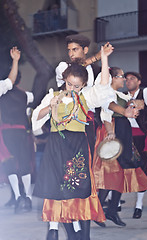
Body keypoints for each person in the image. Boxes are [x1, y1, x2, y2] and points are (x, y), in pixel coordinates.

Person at [32, 44, 115, 240]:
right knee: (56, 187)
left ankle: (79, 231)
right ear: (64, 81)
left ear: (83, 85)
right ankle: (61, 230)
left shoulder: (86, 97)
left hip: (77, 147)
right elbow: (36, 116)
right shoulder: (52, 96)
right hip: (56, 146)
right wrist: (49, 107)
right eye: (69, 84)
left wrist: (103, 58)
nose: (72, 89)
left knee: (78, 188)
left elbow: (103, 88)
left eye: (77, 86)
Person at [92, 67, 147, 227]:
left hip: (123, 132)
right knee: (113, 173)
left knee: (121, 171)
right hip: (114, 132)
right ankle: (99, 210)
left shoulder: (121, 95)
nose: (124, 79)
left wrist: (133, 103)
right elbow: (106, 114)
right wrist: (111, 133)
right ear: (111, 78)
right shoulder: (107, 95)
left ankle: (109, 210)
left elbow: (140, 103)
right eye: (121, 76)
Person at [56, 34, 102, 159]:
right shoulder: (63, 67)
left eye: (74, 49)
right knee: (67, 159)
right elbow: (75, 71)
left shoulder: (96, 70)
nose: (71, 54)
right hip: (67, 119)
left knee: (88, 157)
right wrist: (97, 56)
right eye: (69, 50)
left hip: (89, 120)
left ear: (85, 50)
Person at [125, 71, 147, 218]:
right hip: (125, 137)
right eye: (126, 79)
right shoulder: (122, 96)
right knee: (121, 168)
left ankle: (139, 205)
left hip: (141, 137)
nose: (128, 81)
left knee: (142, 170)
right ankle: (115, 202)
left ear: (139, 81)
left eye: (132, 79)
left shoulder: (145, 93)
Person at [0, 70, 34, 214]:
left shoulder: (2, 93)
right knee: (25, 162)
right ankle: (28, 198)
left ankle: (19, 197)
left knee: (10, 163)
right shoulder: (26, 95)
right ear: (19, 80)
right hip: (21, 132)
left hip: (6, 131)